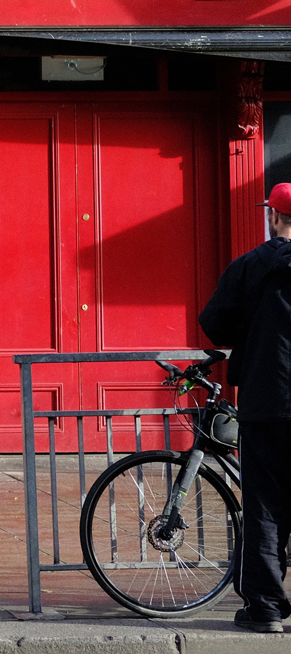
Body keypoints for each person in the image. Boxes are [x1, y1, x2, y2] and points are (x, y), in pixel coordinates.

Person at [196, 181, 291, 634]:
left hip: (267, 402)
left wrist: (251, 332)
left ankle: (266, 608)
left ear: (273, 217)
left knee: (265, 508)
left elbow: (214, 322)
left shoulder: (251, 266)